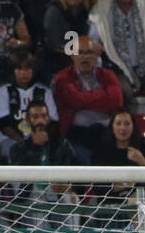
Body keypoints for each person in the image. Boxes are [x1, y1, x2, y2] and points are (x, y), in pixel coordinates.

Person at [52, 34, 123, 164]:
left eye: (89, 52)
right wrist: (102, 96)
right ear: (72, 56)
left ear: (96, 56)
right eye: (80, 53)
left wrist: (84, 100)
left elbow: (116, 101)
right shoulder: (63, 78)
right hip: (76, 133)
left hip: (105, 132)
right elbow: (75, 100)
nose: (85, 57)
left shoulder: (108, 75)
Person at [0, 47, 56, 148]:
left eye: (27, 69)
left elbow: (53, 122)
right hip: (10, 140)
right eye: (19, 69)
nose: (24, 73)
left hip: (40, 140)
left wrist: (40, 138)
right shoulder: (2, 91)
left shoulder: (44, 91)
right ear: (13, 70)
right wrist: (25, 144)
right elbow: (4, 126)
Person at [39, 0, 95, 79]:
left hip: (84, 64)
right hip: (57, 65)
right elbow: (56, 46)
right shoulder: (54, 11)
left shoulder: (89, 10)